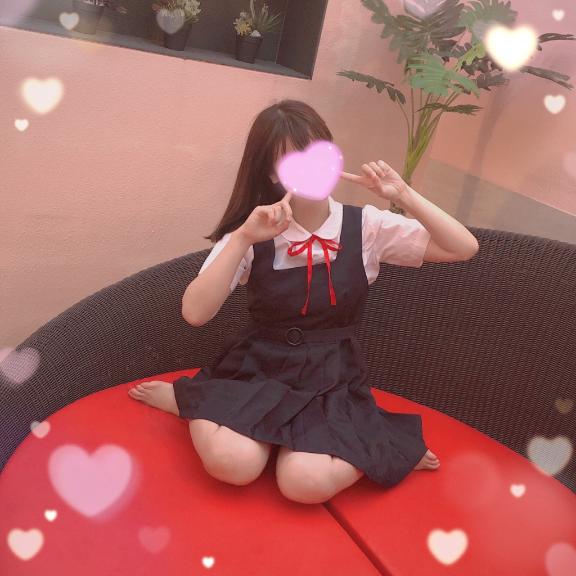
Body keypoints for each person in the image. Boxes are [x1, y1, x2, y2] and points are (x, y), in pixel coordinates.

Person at [128, 99, 479, 504]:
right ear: (271, 174)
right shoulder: (254, 230)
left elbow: (464, 248)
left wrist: (402, 194)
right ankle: (190, 401)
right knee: (232, 464)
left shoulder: (367, 226)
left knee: (304, 484)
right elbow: (194, 313)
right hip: (258, 369)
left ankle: (378, 442)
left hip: (332, 378)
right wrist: (242, 238)